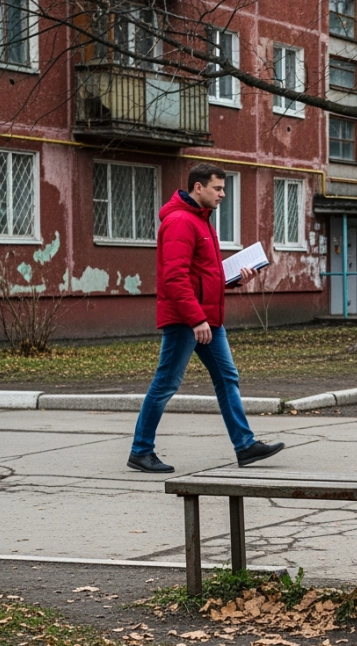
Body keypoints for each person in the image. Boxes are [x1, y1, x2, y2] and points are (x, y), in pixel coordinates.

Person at [127, 163, 284, 473]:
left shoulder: (202, 221)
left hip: (206, 318)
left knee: (228, 378)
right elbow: (175, 278)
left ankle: (245, 445)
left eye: (223, 188)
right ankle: (140, 450)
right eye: (218, 188)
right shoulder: (181, 223)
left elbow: (203, 274)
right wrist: (197, 319)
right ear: (198, 188)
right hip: (188, 320)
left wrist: (235, 278)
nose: (223, 194)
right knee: (166, 384)